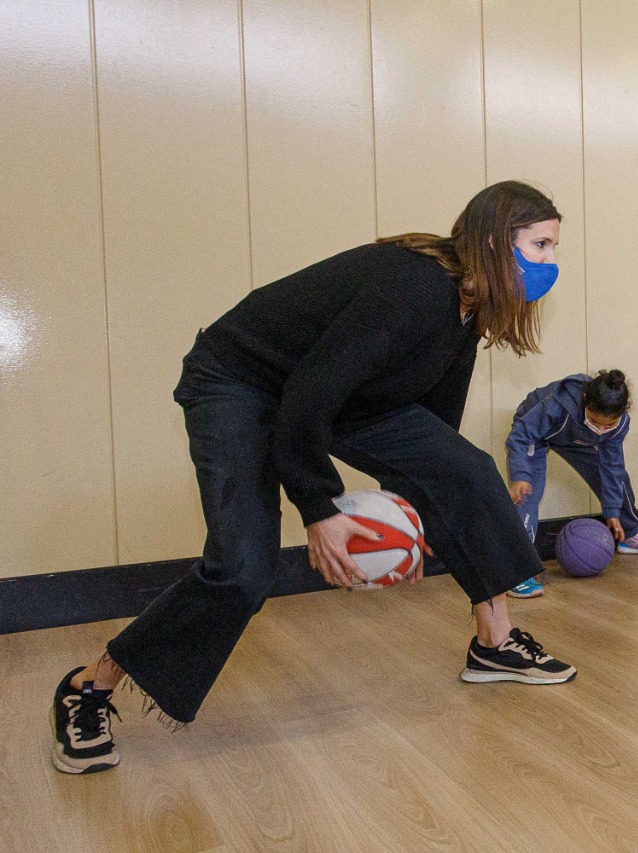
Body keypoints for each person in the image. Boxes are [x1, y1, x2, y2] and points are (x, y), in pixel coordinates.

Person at [50, 181, 578, 776]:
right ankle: (88, 688)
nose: (550, 263)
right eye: (540, 246)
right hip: (241, 380)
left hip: (329, 392)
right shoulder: (411, 288)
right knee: (243, 569)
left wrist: (417, 506)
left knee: (467, 470)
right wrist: (319, 508)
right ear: (491, 241)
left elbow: (434, 428)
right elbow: (307, 395)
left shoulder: (464, 309)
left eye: (554, 248)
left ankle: (494, 644)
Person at [505, 369, 638, 597]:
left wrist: (612, 511)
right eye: (594, 421)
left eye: (608, 425)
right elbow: (521, 436)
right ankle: (517, 571)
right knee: (527, 494)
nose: (601, 430)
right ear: (585, 404)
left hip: (575, 437)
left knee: (617, 477)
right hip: (536, 434)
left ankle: (628, 535)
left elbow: (611, 467)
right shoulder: (557, 405)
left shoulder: (619, 425)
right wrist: (520, 475)